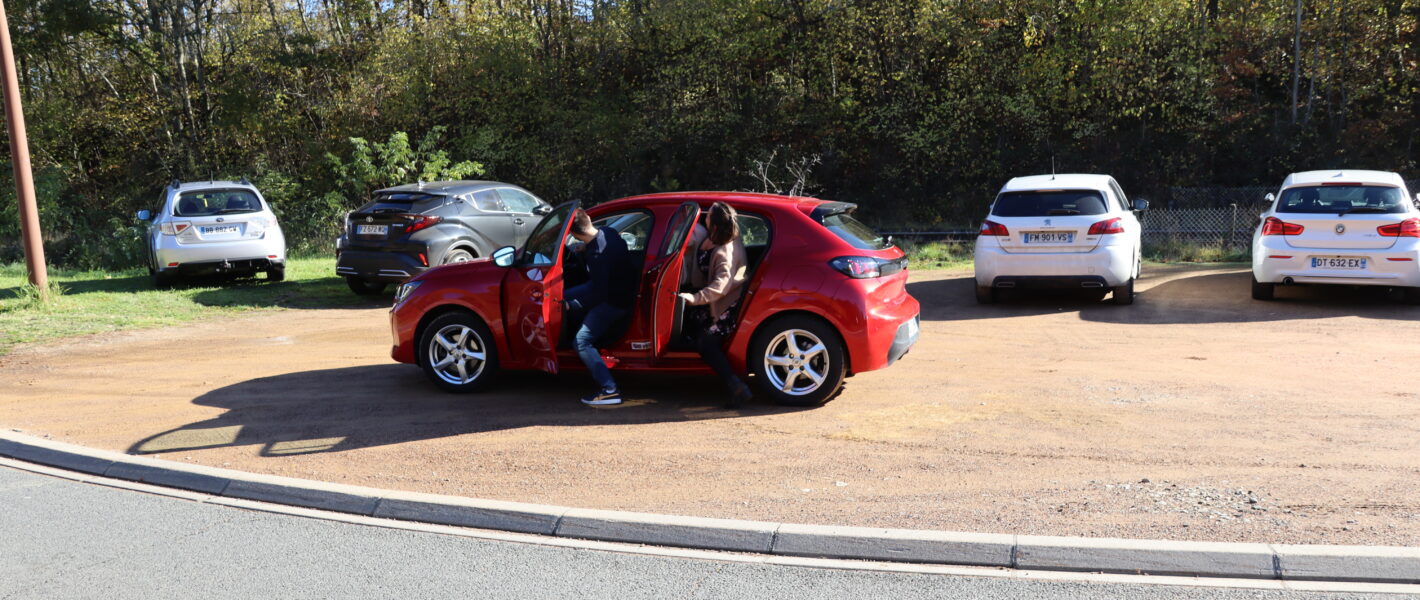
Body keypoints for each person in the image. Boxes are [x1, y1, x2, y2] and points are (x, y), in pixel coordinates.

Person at [678, 202, 754, 408]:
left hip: (724, 304)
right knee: (682, 325)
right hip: (709, 297)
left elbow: (720, 286)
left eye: (709, 215)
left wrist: (694, 298)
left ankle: (737, 387)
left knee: (706, 344)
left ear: (716, 224)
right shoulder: (712, 238)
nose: (705, 217)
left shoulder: (724, 251)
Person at [564, 209, 638, 406]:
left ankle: (609, 389)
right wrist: (584, 249)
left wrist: (574, 305)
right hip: (620, 288)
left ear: (573, 234)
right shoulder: (609, 232)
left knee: (581, 341)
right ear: (589, 219)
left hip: (614, 302)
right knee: (558, 297)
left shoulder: (598, 255)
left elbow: (599, 294)